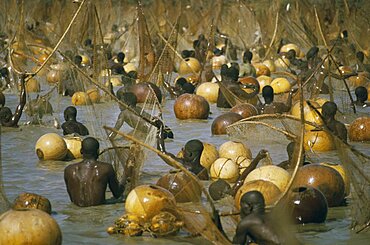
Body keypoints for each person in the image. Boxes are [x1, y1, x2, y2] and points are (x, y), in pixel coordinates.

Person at [64, 137, 125, 207]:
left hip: (77, 213)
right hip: (99, 213)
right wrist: (126, 175)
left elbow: (72, 199)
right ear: (98, 151)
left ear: (81, 151)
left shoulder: (69, 170)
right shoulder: (106, 168)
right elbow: (117, 194)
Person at [109, 92, 173, 140]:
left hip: (155, 133)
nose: (119, 104)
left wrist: (107, 140)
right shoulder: (138, 109)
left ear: (127, 103)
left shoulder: (123, 113)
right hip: (165, 128)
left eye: (121, 101)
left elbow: (115, 131)